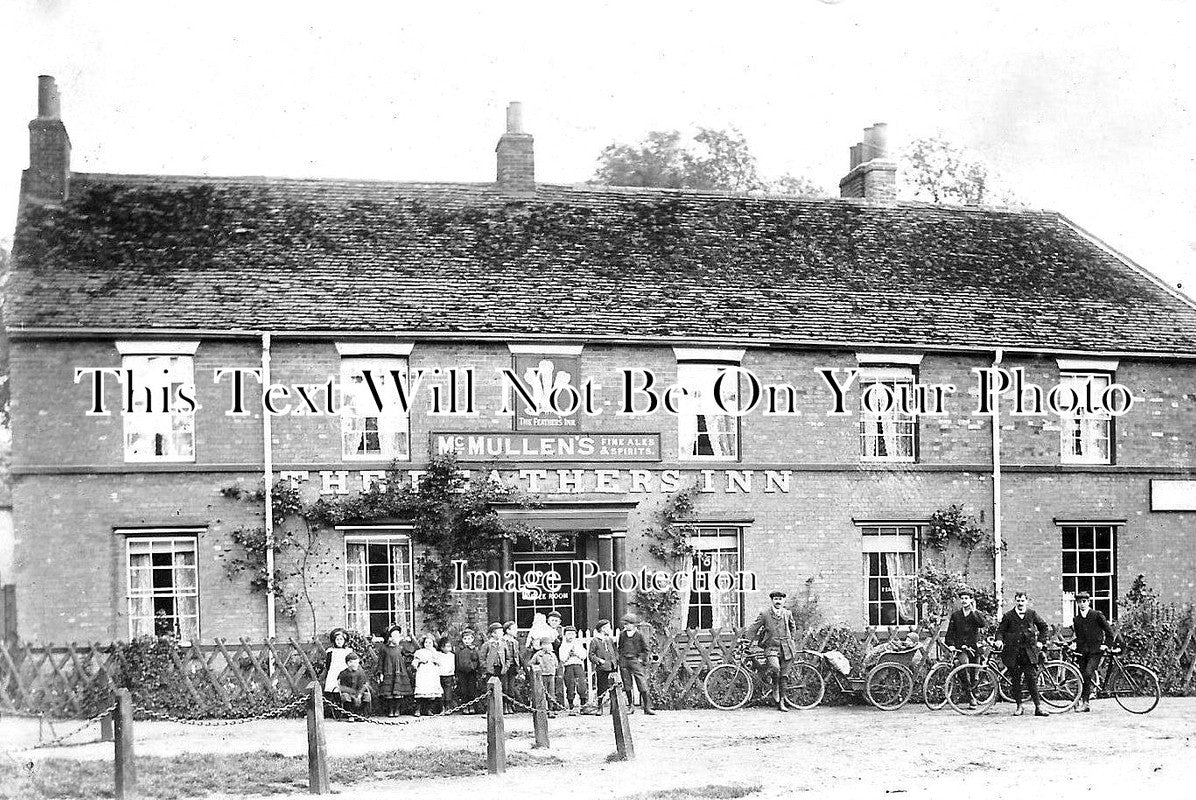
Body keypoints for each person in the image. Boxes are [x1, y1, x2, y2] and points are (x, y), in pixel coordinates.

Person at [741, 590, 799, 712]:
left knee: (784, 676)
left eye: (780, 599)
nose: (778, 601)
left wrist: (791, 640)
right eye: (775, 599)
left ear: (784, 601)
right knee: (775, 667)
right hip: (771, 647)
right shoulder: (765, 614)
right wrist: (746, 641)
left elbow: (793, 627)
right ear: (772, 600)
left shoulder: (787, 613)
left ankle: (782, 702)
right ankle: (775, 687)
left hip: (787, 648)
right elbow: (753, 628)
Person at [996, 591, 1050, 717]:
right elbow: (1000, 631)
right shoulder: (1008, 616)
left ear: (1027, 601)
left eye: (1022, 601)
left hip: (1028, 652)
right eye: (1018, 601)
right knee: (1015, 680)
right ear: (1015, 601)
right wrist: (999, 640)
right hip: (1012, 652)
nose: (1020, 603)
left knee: (1031, 678)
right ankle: (1019, 706)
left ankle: (1038, 707)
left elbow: (1043, 627)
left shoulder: (1032, 614)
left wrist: (1041, 641)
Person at [1070, 590, 1115, 712]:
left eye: (1084, 601)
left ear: (1089, 602)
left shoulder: (1096, 615)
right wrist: (1074, 644)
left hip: (1096, 651)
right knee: (1082, 676)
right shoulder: (1076, 619)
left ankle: (1086, 703)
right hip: (1082, 652)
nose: (1082, 604)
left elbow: (1109, 632)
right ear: (1077, 604)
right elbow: (1079, 636)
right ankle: (1084, 702)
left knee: (1088, 673)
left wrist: (1106, 645)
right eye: (1079, 602)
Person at [944, 587, 989, 709]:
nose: (964, 601)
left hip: (974, 648)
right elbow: (949, 634)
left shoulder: (976, 615)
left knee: (975, 673)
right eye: (962, 599)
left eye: (966, 598)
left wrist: (974, 612)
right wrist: (952, 645)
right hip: (961, 648)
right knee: (963, 666)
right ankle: (970, 695)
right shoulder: (956, 615)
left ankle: (973, 693)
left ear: (971, 600)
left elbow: (982, 624)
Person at [617, 615, 654, 715]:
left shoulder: (639, 635)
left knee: (641, 683)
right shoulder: (622, 635)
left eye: (627, 624)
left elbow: (645, 649)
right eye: (624, 624)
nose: (626, 626)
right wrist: (621, 659)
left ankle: (647, 707)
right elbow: (620, 647)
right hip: (624, 661)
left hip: (635, 661)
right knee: (627, 684)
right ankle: (631, 706)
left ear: (633, 625)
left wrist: (642, 660)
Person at [377, 625, 414, 717]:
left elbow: (411, 652)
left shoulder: (401, 647)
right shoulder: (384, 648)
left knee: (398, 693)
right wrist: (380, 673)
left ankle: (397, 710)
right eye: (395, 636)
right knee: (389, 693)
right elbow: (380, 661)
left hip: (399, 672)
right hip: (388, 671)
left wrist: (412, 638)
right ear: (389, 638)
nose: (397, 638)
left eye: (398, 636)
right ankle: (391, 710)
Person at [588, 619, 619, 715]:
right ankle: (600, 707)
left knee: (613, 688)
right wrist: (599, 660)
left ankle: (613, 708)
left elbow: (614, 651)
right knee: (601, 688)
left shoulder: (609, 640)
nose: (609, 629)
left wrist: (615, 660)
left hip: (612, 667)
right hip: (602, 668)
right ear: (602, 629)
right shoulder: (595, 640)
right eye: (608, 627)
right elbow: (591, 655)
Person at [559, 625, 591, 714]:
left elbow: (583, 656)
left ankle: (583, 706)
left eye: (572, 634)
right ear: (565, 635)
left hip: (578, 666)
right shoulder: (563, 646)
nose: (570, 636)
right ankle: (571, 706)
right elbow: (562, 658)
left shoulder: (578, 644)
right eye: (568, 634)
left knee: (582, 685)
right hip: (568, 667)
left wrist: (576, 652)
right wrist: (569, 654)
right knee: (570, 686)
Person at [412, 634, 443, 717]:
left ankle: (429, 709)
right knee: (421, 690)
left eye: (430, 642)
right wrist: (419, 662)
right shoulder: (420, 652)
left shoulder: (435, 652)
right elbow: (414, 662)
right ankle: (418, 709)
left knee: (431, 692)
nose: (428, 644)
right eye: (426, 642)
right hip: (423, 673)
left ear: (433, 643)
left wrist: (435, 661)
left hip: (432, 674)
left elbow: (440, 663)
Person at [322, 628, 354, 709]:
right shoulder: (331, 651)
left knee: (345, 691)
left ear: (345, 640)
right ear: (334, 641)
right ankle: (335, 709)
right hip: (334, 673)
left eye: (341, 639)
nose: (339, 641)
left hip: (344, 673)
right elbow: (328, 665)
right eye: (337, 639)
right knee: (333, 690)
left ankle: (346, 709)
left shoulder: (348, 651)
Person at [336, 652, 372, 717]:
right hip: (349, 693)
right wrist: (353, 694)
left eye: (357, 663)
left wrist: (360, 694)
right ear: (348, 663)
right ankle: (350, 714)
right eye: (354, 663)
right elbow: (342, 687)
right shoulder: (343, 674)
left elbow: (364, 684)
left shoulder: (361, 672)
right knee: (345, 696)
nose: (356, 665)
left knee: (367, 696)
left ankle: (361, 713)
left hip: (359, 693)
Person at [529, 637, 560, 708]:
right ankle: (543, 708)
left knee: (551, 692)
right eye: (544, 644)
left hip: (551, 675)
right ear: (541, 646)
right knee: (542, 692)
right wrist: (537, 667)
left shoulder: (552, 655)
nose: (547, 646)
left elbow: (556, 664)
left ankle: (551, 708)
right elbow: (531, 663)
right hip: (542, 675)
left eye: (549, 644)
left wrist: (554, 669)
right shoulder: (538, 654)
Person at [455, 628, 481, 713]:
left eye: (469, 638)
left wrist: (476, 668)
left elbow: (477, 659)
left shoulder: (474, 649)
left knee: (472, 689)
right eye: (465, 639)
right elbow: (456, 660)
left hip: (471, 672)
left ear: (473, 639)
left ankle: (472, 706)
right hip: (461, 672)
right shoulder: (459, 649)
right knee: (463, 690)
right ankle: (465, 706)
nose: (467, 641)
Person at [437, 636, 457, 713]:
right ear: (442, 647)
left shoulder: (452, 655)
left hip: (449, 675)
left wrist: (452, 673)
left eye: (450, 646)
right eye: (447, 646)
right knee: (440, 691)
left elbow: (453, 666)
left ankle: (448, 706)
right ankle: (442, 707)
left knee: (448, 691)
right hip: (440, 675)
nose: (449, 648)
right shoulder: (438, 654)